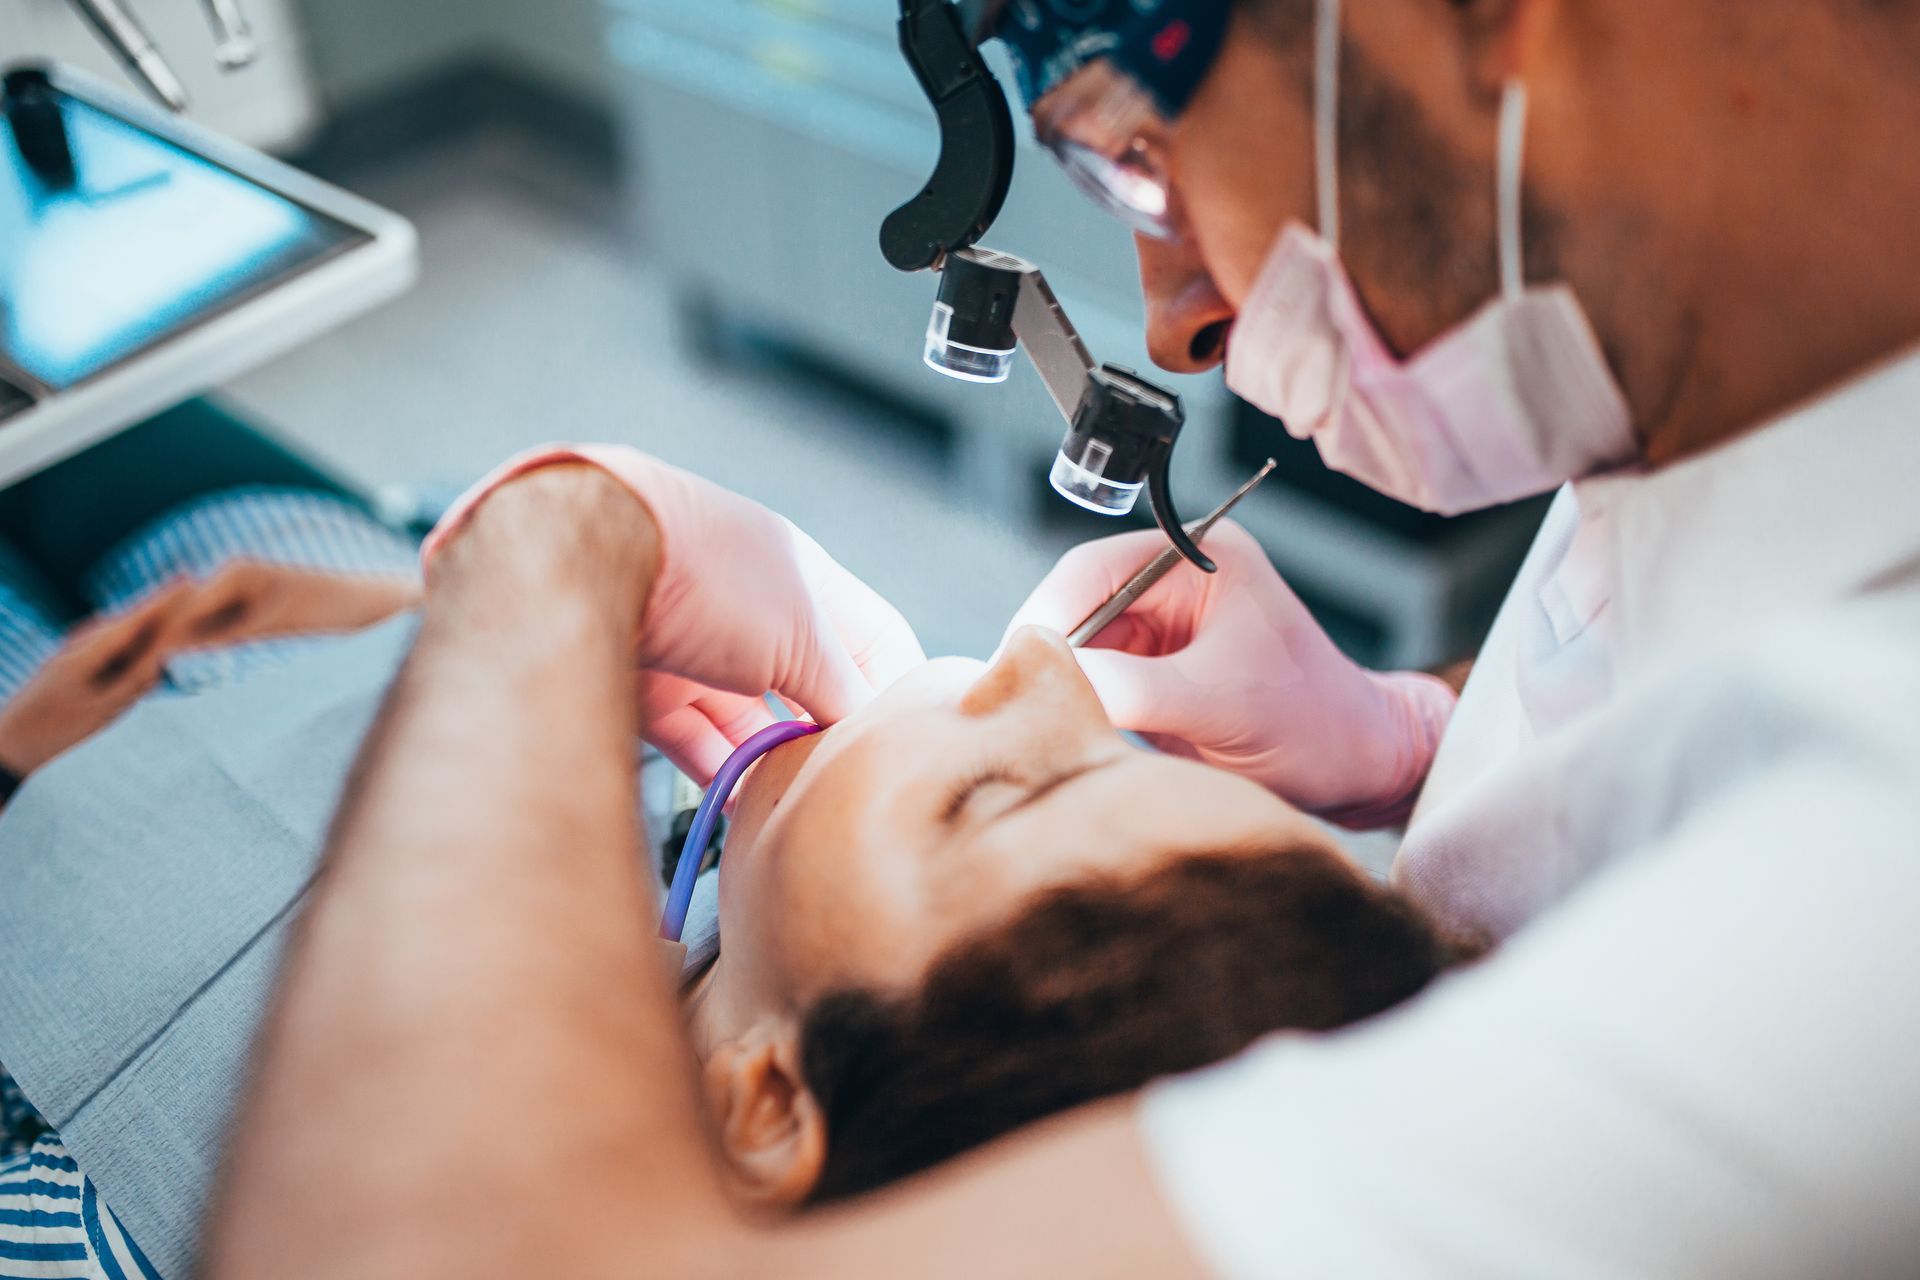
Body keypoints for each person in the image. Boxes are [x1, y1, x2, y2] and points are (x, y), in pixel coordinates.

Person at [206, 0, 1920, 1276]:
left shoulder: (1864, 928)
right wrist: (1415, 731)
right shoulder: (1747, 376)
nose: (1176, 320)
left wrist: (562, 538)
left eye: (1130, 150)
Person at [0, 434, 1468, 1277]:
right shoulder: (735, 837)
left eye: (1003, 798)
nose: (1042, 670)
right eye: (1128, 754)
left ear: (769, 1099)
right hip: (312, 591)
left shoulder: (143, 1231)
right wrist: (400, 608)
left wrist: (570, 540)